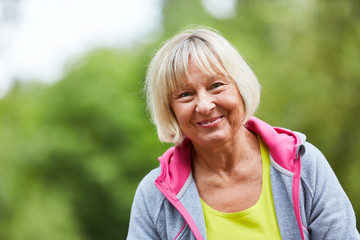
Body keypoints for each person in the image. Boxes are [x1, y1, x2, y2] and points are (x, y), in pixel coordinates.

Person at [127, 27, 359, 240]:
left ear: (240, 87)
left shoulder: (304, 165)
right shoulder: (153, 197)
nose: (205, 105)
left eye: (216, 85)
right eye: (185, 94)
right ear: (170, 110)